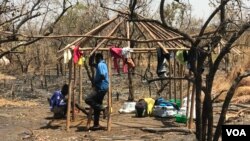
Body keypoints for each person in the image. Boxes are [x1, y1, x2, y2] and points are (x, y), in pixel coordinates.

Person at [85, 53, 109, 130]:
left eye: (95, 58)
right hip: (103, 87)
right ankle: (96, 124)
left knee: (88, 99)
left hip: (100, 87)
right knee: (96, 104)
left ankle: (103, 108)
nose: (95, 60)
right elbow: (91, 64)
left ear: (98, 58)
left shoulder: (100, 65)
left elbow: (102, 75)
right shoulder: (101, 64)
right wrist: (91, 55)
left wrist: (95, 82)